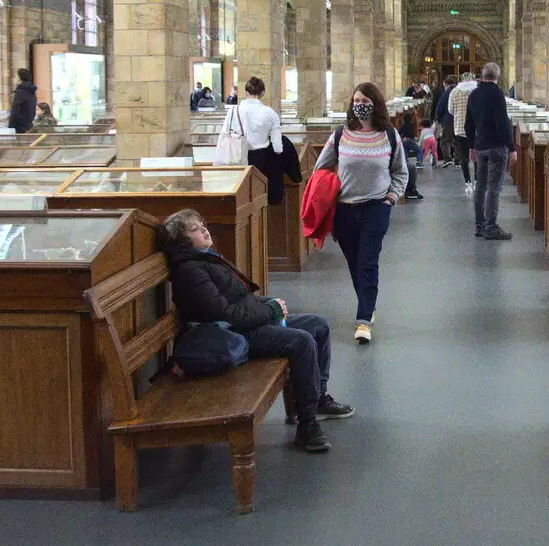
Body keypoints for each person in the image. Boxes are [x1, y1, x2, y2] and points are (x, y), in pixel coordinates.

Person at [160, 209, 352, 453]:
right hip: (236, 335)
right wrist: (269, 311)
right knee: (301, 341)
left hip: (250, 321)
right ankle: (306, 424)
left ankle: (318, 399)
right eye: (194, 229)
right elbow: (226, 315)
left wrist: (267, 304)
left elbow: (239, 299)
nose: (204, 230)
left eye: (202, 224)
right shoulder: (191, 270)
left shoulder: (206, 259)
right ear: (182, 240)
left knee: (318, 325)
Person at [313, 82, 409, 344]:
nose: (360, 106)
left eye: (365, 102)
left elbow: (401, 170)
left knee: (368, 261)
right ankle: (368, 303)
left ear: (375, 104)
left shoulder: (389, 135)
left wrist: (391, 197)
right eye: (356, 101)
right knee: (355, 263)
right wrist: (325, 195)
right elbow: (320, 169)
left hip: (376, 207)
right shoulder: (340, 135)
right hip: (344, 210)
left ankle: (364, 319)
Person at [466, 62, 514, 240]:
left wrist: (471, 145)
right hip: (496, 146)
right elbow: (502, 123)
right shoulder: (497, 94)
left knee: (480, 186)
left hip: (480, 146)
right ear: (497, 76)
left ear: (483, 75)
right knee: (494, 188)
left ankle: (480, 225)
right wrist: (511, 147)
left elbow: (468, 124)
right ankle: (491, 226)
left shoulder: (474, 94)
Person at [235, 76, 288, 203]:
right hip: (261, 157)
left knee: (243, 194)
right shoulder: (269, 112)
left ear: (246, 92)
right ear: (262, 93)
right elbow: (277, 147)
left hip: (239, 155)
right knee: (259, 194)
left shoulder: (236, 110)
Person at [448, 70, 478, 190]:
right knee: (477, 155)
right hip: (476, 128)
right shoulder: (477, 90)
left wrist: (459, 114)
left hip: (460, 127)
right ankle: (476, 179)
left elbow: (450, 109)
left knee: (464, 157)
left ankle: (468, 183)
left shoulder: (455, 91)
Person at [397, 110, 425, 200]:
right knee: (419, 150)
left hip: (404, 141)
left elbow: (398, 133)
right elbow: (413, 135)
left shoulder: (403, 126)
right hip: (410, 140)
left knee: (405, 153)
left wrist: (402, 138)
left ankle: (405, 160)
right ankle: (419, 162)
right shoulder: (411, 125)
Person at [434, 74, 457, 167]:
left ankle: (447, 158)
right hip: (459, 120)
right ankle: (458, 159)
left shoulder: (446, 93)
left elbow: (440, 108)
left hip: (448, 120)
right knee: (458, 140)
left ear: (445, 84)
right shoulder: (458, 92)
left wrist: (439, 119)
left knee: (445, 140)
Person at [8, 67, 37, 133]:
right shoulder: (31, 91)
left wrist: (10, 126)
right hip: (28, 126)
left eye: (15, 76)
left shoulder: (21, 91)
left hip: (19, 127)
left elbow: (15, 111)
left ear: (20, 78)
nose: (14, 78)